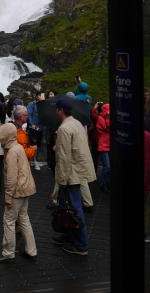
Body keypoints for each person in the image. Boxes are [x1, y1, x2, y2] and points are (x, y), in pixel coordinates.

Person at [53, 98, 96, 256]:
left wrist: (62, 180)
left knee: (75, 208)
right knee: (68, 207)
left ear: (60, 110)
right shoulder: (77, 123)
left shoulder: (64, 129)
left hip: (71, 173)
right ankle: (69, 235)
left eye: (56, 109)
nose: (55, 111)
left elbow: (64, 157)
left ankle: (82, 245)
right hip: (79, 169)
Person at [0, 123, 37, 262]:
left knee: (9, 220)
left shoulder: (11, 152)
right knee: (24, 218)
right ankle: (31, 250)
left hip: (17, 191)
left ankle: (8, 252)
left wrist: (8, 196)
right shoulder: (18, 147)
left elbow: (11, 178)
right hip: (26, 188)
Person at [96, 103, 110, 192]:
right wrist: (108, 117)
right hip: (103, 146)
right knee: (107, 166)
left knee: (109, 167)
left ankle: (107, 183)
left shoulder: (106, 118)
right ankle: (102, 184)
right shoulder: (100, 118)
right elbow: (107, 126)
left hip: (109, 146)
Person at [27, 92, 43, 169]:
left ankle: (34, 160)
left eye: (42, 95)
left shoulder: (43, 104)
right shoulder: (32, 104)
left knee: (38, 144)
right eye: (39, 95)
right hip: (33, 127)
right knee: (33, 144)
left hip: (41, 127)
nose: (41, 97)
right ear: (36, 96)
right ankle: (34, 161)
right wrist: (32, 124)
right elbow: (29, 114)